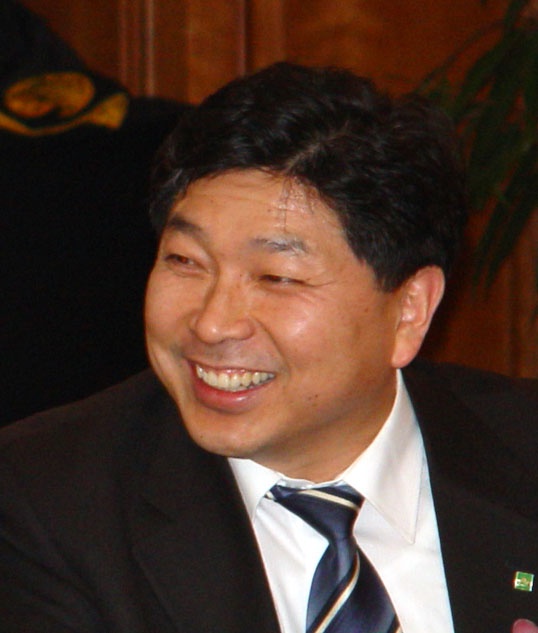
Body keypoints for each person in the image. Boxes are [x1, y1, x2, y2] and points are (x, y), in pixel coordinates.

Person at [1, 62, 537, 633]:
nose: (212, 324)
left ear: (410, 309)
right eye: (185, 261)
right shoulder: (44, 503)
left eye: (277, 278)